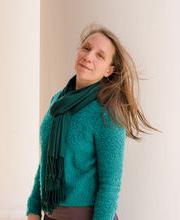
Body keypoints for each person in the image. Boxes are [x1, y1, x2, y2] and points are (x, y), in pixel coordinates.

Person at [26, 23, 160, 220]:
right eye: (87, 48)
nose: (89, 57)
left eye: (100, 55)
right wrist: (33, 209)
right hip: (51, 215)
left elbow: (110, 184)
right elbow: (47, 159)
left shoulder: (107, 113)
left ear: (109, 70)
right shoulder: (58, 101)